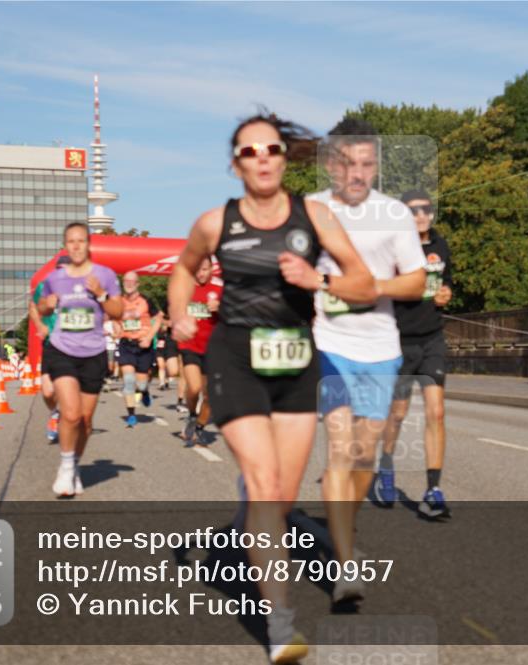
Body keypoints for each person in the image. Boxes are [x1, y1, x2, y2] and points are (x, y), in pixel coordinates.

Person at [168, 111, 374, 663]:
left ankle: (245, 533)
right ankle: (280, 623)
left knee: (280, 496)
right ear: (234, 164)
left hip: (295, 358)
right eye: (249, 151)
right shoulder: (216, 222)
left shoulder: (316, 215)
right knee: (263, 485)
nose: (261, 158)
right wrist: (179, 313)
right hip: (235, 356)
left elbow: (362, 281)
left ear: (285, 157)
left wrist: (319, 280)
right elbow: (184, 270)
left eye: (271, 149)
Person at [308, 119, 427, 606]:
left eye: (367, 163)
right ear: (333, 163)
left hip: (381, 349)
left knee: (364, 454)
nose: (357, 173)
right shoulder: (312, 211)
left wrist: (368, 287)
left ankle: (344, 527)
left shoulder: (393, 213)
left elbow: (415, 282)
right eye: (347, 162)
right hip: (328, 343)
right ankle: (345, 562)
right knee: (339, 448)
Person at [373, 189, 453, 519]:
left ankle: (433, 488)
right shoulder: (393, 247)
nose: (421, 215)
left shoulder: (440, 245)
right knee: (398, 413)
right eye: (413, 210)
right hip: (401, 340)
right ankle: (386, 467)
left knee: (436, 412)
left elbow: (446, 285)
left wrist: (446, 293)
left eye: (426, 209)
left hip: (432, 338)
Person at [38, 222, 123, 497]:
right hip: (61, 349)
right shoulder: (54, 277)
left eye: (81, 241)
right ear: (66, 245)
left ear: (89, 244)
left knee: (85, 420)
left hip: (94, 352)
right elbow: (40, 306)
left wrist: (100, 294)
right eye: (71, 241)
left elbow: (118, 310)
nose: (76, 246)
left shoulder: (105, 275)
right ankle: (64, 468)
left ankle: (74, 465)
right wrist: (46, 305)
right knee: (71, 413)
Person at [177, 256, 222, 446]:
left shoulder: (220, 289)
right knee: (194, 387)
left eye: (205, 269)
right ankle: (191, 416)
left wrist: (221, 308)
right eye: (198, 269)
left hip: (212, 347)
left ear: (212, 269)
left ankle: (200, 427)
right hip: (189, 345)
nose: (201, 273)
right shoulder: (185, 288)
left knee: (210, 396)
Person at [29, 254, 72, 440]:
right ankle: (55, 412)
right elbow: (33, 306)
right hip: (51, 343)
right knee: (47, 391)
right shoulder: (44, 287)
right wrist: (40, 326)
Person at [116, 271, 162, 428]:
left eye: (132, 281)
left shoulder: (146, 300)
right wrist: (116, 329)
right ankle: (131, 414)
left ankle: (144, 391)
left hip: (144, 345)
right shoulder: (118, 301)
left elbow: (159, 319)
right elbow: (114, 319)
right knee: (128, 380)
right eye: (126, 281)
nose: (128, 284)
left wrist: (149, 338)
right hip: (126, 344)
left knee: (141, 384)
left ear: (137, 284)